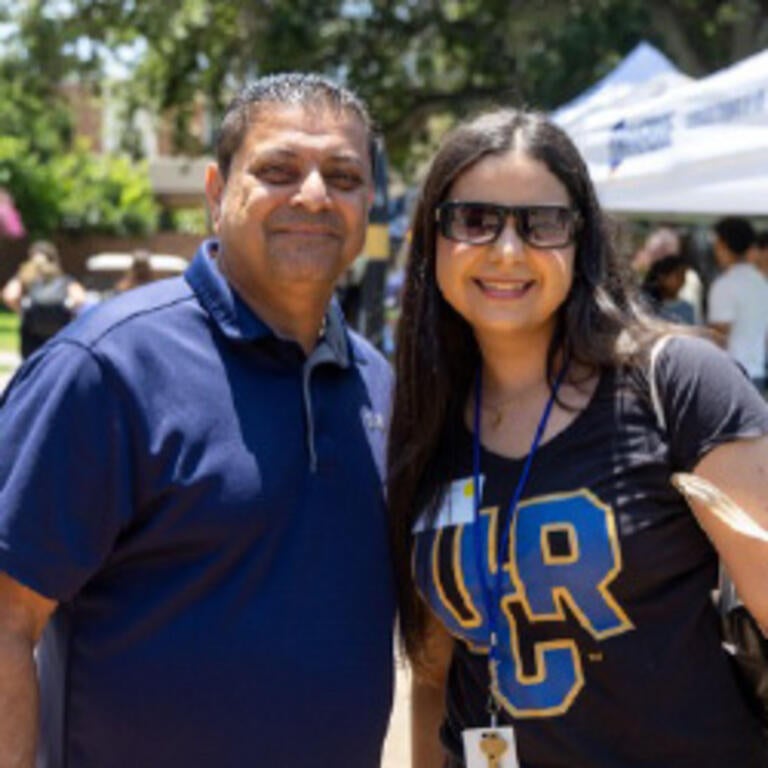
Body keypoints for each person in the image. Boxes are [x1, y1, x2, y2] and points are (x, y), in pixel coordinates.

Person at [0, 73, 395, 768]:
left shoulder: (383, 385)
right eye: (277, 169)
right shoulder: (107, 369)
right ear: (216, 193)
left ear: (369, 203)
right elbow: (7, 621)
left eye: (343, 176)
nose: (313, 195)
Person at [387, 108, 768, 767]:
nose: (508, 250)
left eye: (543, 223)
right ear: (433, 239)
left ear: (581, 239)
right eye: (475, 220)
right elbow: (434, 674)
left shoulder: (678, 384)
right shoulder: (423, 422)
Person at [707, 216, 768, 390]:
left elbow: (718, 337)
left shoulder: (725, 285)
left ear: (723, 245)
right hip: (757, 373)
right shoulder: (762, 283)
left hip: (731, 376)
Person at [1, 240, 85, 359]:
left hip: (31, 331)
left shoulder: (25, 277)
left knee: (32, 368)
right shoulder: (64, 279)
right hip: (60, 330)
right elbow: (79, 298)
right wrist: (65, 308)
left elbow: (10, 295)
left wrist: (22, 311)